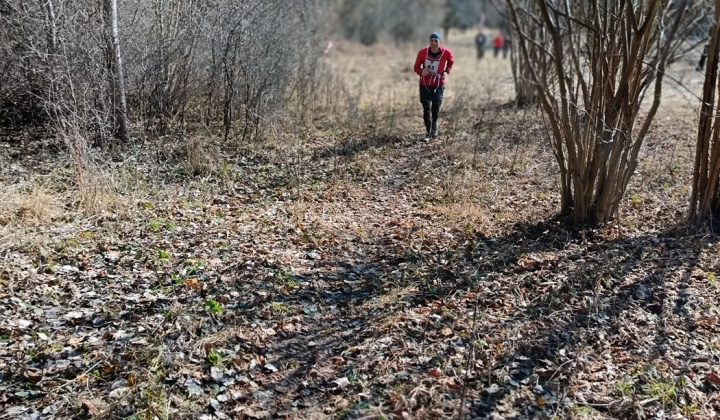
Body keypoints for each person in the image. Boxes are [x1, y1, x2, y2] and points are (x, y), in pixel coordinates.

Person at [413, 32, 454, 140]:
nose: (434, 43)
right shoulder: (422, 53)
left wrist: (446, 71)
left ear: (439, 41)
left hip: (438, 83)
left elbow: (450, 62)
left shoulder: (446, 53)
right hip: (425, 84)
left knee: (435, 107)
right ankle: (428, 130)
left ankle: (434, 123)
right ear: (429, 41)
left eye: (436, 41)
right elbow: (416, 67)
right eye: (432, 40)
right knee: (426, 108)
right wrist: (421, 71)